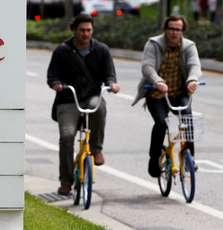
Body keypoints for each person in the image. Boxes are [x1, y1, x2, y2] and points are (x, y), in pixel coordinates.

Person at [47, 13, 120, 196]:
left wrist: (112, 84)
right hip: (67, 100)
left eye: (89, 30)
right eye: (82, 30)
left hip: (91, 97)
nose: (85, 34)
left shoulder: (101, 50)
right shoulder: (62, 51)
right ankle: (66, 181)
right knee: (66, 136)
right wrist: (56, 84)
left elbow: (109, 74)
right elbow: (52, 76)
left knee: (99, 106)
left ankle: (96, 149)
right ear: (74, 30)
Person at [132, 15, 202, 178]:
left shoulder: (189, 46)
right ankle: (153, 159)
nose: (174, 33)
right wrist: (158, 81)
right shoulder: (153, 44)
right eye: (171, 29)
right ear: (165, 29)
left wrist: (192, 79)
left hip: (178, 92)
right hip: (156, 94)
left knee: (187, 119)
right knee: (161, 123)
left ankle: (189, 158)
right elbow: (147, 67)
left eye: (178, 30)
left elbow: (194, 65)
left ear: (182, 31)